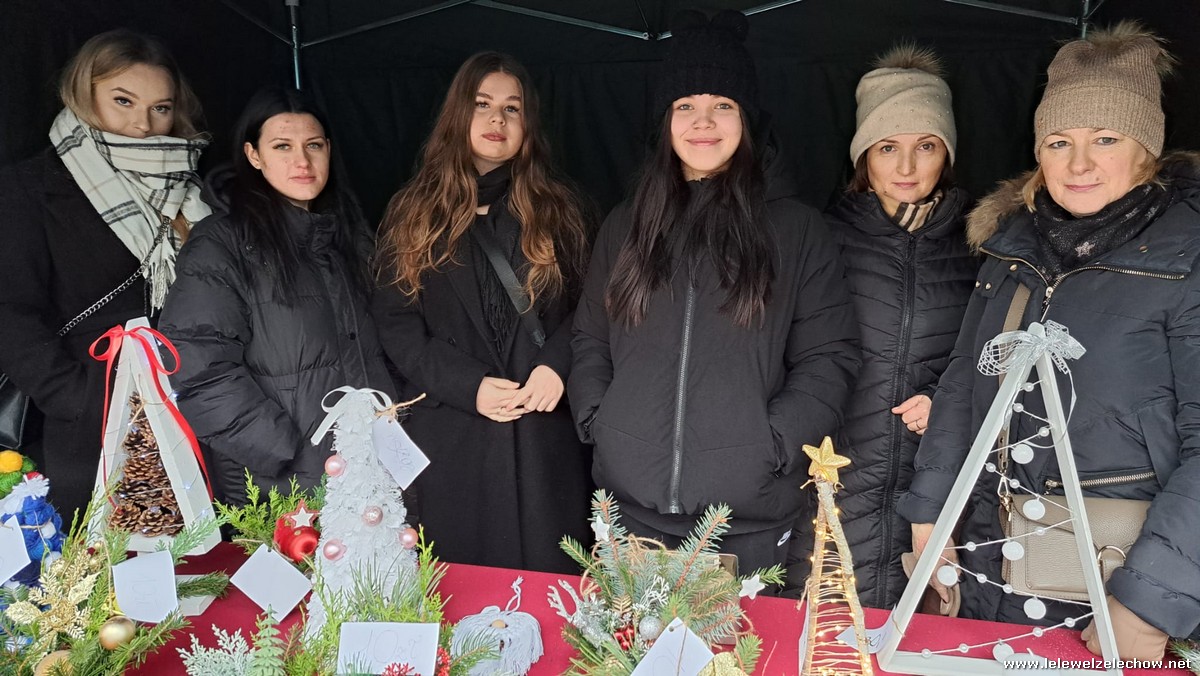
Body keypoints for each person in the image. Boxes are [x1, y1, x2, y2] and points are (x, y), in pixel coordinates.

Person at [900, 23, 1200, 658]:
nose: (1079, 163)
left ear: (1146, 147)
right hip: (990, 576)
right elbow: (962, 384)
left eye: (1105, 139)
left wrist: (1148, 601)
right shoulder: (1010, 252)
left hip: (1114, 593)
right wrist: (930, 514)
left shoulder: (1188, 260)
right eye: (1059, 142)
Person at [569, 10, 860, 576]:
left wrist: (772, 445)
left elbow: (829, 357)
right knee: (624, 635)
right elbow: (590, 338)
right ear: (665, 120)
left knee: (737, 639)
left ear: (747, 118)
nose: (703, 122)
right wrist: (601, 424)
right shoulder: (626, 223)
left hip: (745, 520)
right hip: (629, 508)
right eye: (685, 106)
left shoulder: (796, 229)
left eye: (722, 105)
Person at [372, 52, 594, 573]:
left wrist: (557, 365)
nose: (497, 119)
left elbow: (594, 307)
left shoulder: (561, 209)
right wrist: (466, 386)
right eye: (482, 104)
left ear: (528, 124)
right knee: (463, 590)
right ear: (458, 114)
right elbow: (397, 325)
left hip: (543, 435)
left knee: (553, 586)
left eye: (512, 108)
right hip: (455, 438)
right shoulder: (413, 213)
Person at [785, 45, 977, 607]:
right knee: (821, 639)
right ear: (863, 156)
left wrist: (949, 400)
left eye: (926, 146)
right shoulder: (816, 239)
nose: (907, 168)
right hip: (825, 490)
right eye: (887, 147)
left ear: (948, 153)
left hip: (934, 499)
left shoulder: (984, 246)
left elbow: (998, 359)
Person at [0, 29, 209, 524]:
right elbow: (11, 312)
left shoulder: (190, 188)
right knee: (100, 559)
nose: (142, 124)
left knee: (202, 556)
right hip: (93, 422)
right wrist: (81, 399)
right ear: (83, 93)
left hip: (190, 408)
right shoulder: (29, 187)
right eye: (123, 100)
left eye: (160, 108)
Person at [159, 87, 392, 504]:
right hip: (281, 483)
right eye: (282, 146)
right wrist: (284, 451)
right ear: (253, 155)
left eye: (313, 145)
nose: (302, 161)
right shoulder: (222, 242)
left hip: (373, 471)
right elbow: (197, 367)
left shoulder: (349, 237)